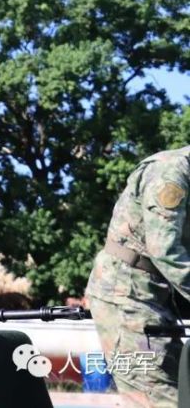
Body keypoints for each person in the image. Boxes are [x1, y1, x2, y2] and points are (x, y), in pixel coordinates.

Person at [85, 146, 190, 408]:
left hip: (154, 297)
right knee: (158, 399)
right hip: (126, 297)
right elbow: (164, 249)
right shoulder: (171, 171)